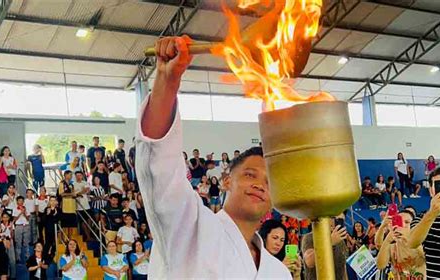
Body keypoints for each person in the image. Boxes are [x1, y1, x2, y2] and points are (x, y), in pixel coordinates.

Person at [137, 35, 291, 278]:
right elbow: (161, 170)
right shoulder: (191, 227)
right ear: (226, 179)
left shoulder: (278, 273)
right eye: (250, 174)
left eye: (269, 183)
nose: (260, 185)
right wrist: (168, 80)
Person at [408, 166, 440, 279]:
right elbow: (411, 242)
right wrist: (431, 215)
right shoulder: (422, 218)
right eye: (439, 185)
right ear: (431, 190)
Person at [376, 210, 426, 279]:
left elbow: (426, 257)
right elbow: (380, 265)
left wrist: (409, 237)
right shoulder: (392, 244)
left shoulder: (421, 240)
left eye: (407, 222)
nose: (403, 225)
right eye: (399, 221)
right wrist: (387, 240)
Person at [302, 213, 348, 280]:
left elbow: (343, 267)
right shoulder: (310, 237)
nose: (334, 222)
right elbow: (309, 262)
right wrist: (330, 242)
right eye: (332, 218)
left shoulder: (340, 240)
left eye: (340, 220)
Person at [73, 171, 92, 241]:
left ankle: (89, 234)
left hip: (87, 205)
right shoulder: (73, 184)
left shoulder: (85, 182)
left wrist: (79, 193)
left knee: (89, 220)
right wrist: (82, 191)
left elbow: (87, 190)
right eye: (77, 175)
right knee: (83, 222)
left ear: (82, 176)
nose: (78, 177)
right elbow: (74, 194)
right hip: (79, 206)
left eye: (80, 175)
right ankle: (88, 236)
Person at [58, 171, 76, 239]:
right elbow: (61, 194)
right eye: (70, 175)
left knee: (71, 225)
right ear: (65, 175)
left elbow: (73, 193)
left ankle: (70, 238)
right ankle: (63, 238)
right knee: (64, 225)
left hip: (72, 207)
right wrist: (71, 194)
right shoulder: (62, 183)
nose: (71, 176)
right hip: (65, 208)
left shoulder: (72, 184)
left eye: (71, 175)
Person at [13, 196, 30, 262]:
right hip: (18, 226)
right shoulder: (15, 209)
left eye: (22, 201)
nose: (20, 202)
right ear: (17, 202)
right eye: (19, 201)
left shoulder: (26, 208)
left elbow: (28, 219)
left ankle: (27, 256)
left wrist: (24, 213)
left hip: (26, 226)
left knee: (26, 242)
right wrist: (20, 213)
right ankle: (18, 257)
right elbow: (14, 219)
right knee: (18, 242)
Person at [44, 196, 61, 261]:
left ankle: (52, 257)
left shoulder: (58, 209)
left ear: (56, 202)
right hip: (48, 229)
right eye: (51, 200)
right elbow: (44, 220)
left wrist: (54, 214)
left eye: (54, 200)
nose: (53, 202)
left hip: (55, 229)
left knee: (54, 245)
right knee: (47, 244)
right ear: (49, 201)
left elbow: (59, 218)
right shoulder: (46, 209)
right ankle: (45, 258)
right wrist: (47, 214)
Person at [0, 212, 15, 279]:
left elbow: (12, 236)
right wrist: (6, 227)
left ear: (9, 218)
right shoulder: (0, 225)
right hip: (3, 241)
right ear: (2, 218)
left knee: (12, 260)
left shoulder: (11, 224)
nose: (5, 218)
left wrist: (11, 229)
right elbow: (1, 234)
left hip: (10, 241)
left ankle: (13, 276)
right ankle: (7, 275)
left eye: (7, 217)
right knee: (4, 259)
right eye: (4, 217)